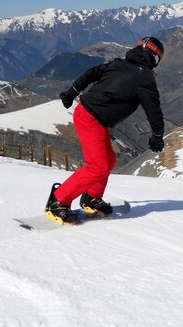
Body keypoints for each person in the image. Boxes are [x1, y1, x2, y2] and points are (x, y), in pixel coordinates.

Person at [45, 37, 166, 225]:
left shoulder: (119, 64)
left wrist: (72, 92)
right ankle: (58, 201)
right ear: (155, 58)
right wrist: (157, 135)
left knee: (108, 161)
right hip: (90, 118)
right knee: (98, 166)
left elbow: (92, 73)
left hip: (91, 117)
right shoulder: (145, 78)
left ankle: (92, 198)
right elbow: (153, 109)